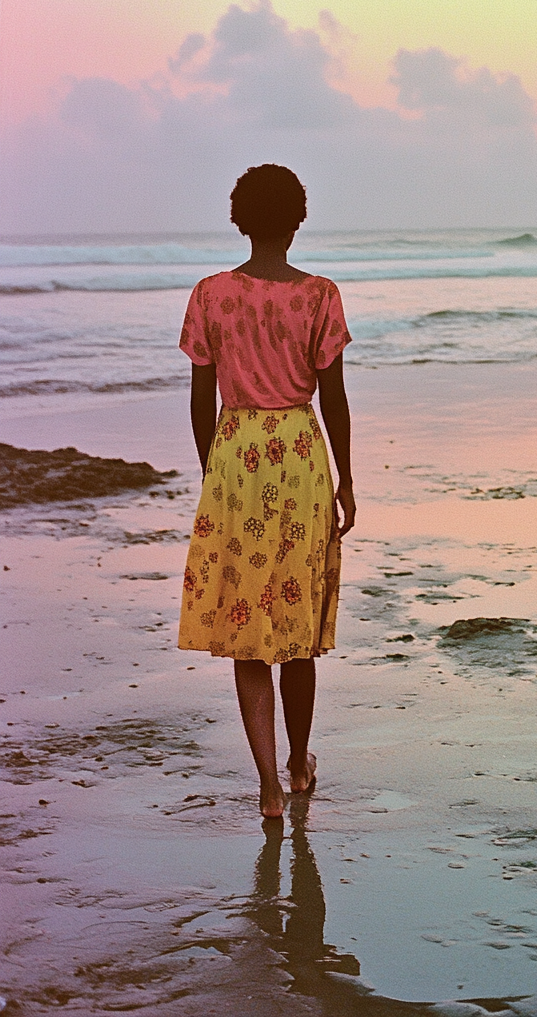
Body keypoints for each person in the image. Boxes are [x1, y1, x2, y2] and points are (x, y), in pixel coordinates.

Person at [178, 164, 355, 818]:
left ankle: (269, 788)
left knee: (247, 626)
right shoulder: (319, 296)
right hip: (302, 459)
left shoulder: (209, 294)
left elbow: (201, 401)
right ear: (298, 219)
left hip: (237, 462)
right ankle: (298, 762)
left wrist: (213, 474)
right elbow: (333, 399)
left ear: (239, 218)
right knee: (297, 625)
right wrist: (347, 479)